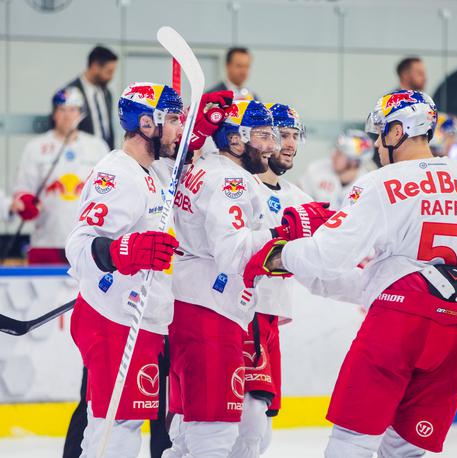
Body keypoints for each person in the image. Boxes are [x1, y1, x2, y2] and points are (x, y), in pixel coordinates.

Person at [242, 89, 457, 457]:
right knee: (407, 448)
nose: (376, 143)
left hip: (400, 323)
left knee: (352, 440)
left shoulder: (381, 182)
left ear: (398, 132)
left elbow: (327, 256)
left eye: (381, 132)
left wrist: (282, 254)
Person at [164, 100, 329, 457]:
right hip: (214, 309)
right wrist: (284, 231)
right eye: (266, 135)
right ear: (236, 139)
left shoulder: (204, 165)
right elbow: (233, 254)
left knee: (195, 432)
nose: (273, 145)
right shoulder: (232, 179)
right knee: (220, 432)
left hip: (201, 304)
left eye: (280, 134)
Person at [65, 82, 183, 458]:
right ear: (148, 123)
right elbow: (80, 246)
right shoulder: (117, 174)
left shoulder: (151, 171)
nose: (181, 129)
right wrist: (126, 248)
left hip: (139, 318)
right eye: (175, 120)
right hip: (111, 317)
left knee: (123, 427)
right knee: (113, 433)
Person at [229, 103, 314, 458]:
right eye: (282, 135)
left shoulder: (300, 199)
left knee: (260, 433)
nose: (290, 144)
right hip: (241, 313)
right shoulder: (240, 187)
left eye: (295, 136)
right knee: (245, 423)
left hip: (270, 319)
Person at [12, 87, 107, 265]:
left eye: (73, 110)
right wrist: (25, 201)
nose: (67, 115)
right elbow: (22, 187)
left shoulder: (97, 147)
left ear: (81, 114)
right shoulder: (36, 147)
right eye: (62, 109)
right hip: (46, 241)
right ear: (54, 113)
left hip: (87, 242)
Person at [298, 129, 373, 210]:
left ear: (354, 162)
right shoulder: (316, 169)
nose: (333, 156)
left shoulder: (366, 183)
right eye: (335, 150)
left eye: (339, 153)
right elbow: (297, 201)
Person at [66, 46, 118, 149]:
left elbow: (108, 128)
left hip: (105, 156)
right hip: (81, 154)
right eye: (109, 72)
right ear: (95, 67)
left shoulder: (107, 93)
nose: (111, 77)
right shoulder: (70, 93)